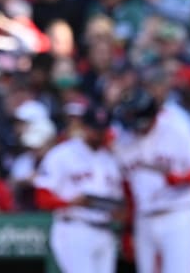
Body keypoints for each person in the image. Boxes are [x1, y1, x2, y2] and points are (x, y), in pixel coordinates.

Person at [113, 88, 190, 273]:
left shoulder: (175, 129)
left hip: (177, 214)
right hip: (144, 218)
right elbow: (127, 188)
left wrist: (180, 178)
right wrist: (129, 228)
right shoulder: (123, 140)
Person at [34, 106, 125, 273]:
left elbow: (120, 199)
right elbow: (42, 197)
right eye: (94, 129)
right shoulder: (62, 154)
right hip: (74, 227)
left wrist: (120, 212)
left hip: (105, 230)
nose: (98, 134)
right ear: (84, 127)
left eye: (102, 129)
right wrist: (70, 202)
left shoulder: (111, 158)